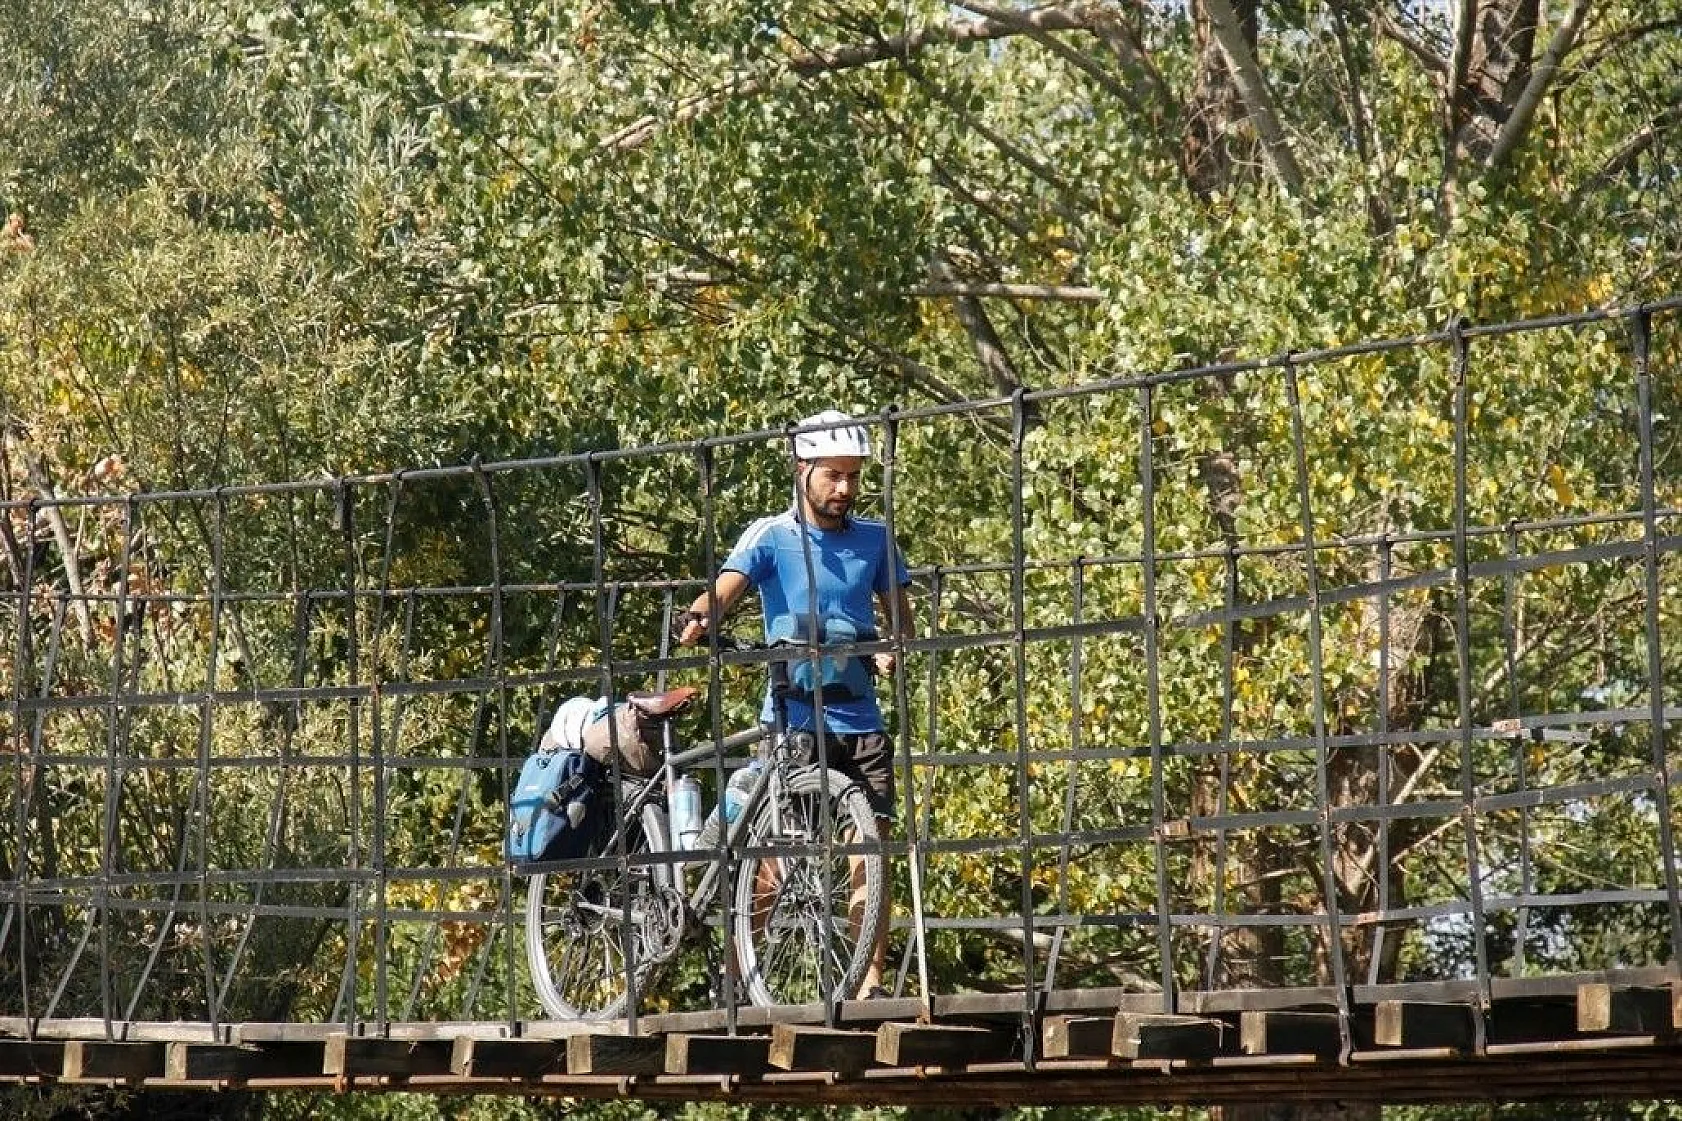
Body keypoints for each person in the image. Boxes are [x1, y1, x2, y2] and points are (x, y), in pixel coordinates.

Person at [676, 408, 913, 1000]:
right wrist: (701, 617)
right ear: (802, 469)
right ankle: (738, 974)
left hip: (859, 716)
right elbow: (726, 590)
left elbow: (900, 624)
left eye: (854, 477)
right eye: (834, 475)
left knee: (871, 851)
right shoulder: (771, 535)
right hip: (792, 714)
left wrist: (890, 651)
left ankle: (870, 983)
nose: (846, 489)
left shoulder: (876, 541)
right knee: (776, 856)